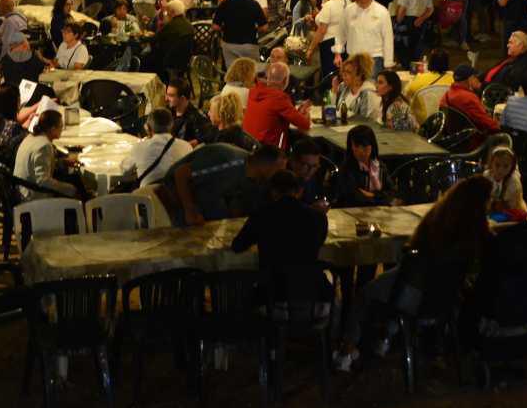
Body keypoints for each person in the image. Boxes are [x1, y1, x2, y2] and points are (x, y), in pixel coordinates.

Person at [333, 175, 493, 371]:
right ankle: (383, 339)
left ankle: (346, 353)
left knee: (366, 294)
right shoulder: (475, 229)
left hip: (413, 288)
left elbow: (411, 258)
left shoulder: (439, 217)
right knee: (389, 289)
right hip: (444, 296)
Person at [231, 169, 330, 298]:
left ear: (273, 191)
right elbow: (319, 242)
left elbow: (237, 246)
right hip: (313, 297)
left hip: (272, 299)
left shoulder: (262, 215)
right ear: (299, 191)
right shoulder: (319, 217)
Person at [156, 143, 281, 226]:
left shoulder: (250, 177)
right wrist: (189, 209)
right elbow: (181, 174)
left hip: (205, 198)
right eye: (279, 169)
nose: (281, 174)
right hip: (174, 193)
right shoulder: (230, 161)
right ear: (266, 165)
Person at [13, 110, 80, 200]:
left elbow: (37, 165)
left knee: (72, 179)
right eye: (60, 126)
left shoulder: (31, 137)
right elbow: (43, 181)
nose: (62, 129)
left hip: (22, 189)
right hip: (32, 195)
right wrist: (70, 189)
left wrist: (61, 162)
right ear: (52, 129)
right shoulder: (44, 145)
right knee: (76, 185)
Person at [119, 108, 194, 187]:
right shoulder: (186, 146)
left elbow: (124, 172)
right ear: (172, 125)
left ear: (147, 128)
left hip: (149, 196)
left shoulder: (140, 147)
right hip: (176, 197)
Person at [243, 62, 312, 147]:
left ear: (268, 77)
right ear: (285, 80)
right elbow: (304, 124)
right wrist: (305, 112)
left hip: (248, 146)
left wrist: (298, 113)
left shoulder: (253, 91)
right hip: (269, 152)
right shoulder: (279, 98)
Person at [213, 0, 268, 69]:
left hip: (229, 44)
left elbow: (215, 26)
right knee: (250, 74)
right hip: (249, 44)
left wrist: (225, 27)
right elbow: (264, 27)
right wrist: (253, 28)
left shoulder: (225, 4)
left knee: (232, 74)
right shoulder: (254, 4)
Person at [336, 0, 394, 76]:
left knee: (371, 90)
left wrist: (388, 64)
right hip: (353, 59)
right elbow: (341, 34)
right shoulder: (348, 11)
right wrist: (337, 54)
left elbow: (388, 39)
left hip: (374, 60)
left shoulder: (382, 12)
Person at [330, 124, 391, 207]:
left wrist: (372, 195)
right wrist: (380, 197)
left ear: (372, 146)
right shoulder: (347, 169)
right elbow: (355, 198)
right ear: (351, 146)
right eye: (356, 146)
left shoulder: (379, 166)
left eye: (365, 146)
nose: (360, 151)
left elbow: (391, 193)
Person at [441, 64, 500, 142]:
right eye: (475, 77)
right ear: (470, 79)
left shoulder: (447, 95)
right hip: (473, 140)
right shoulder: (469, 98)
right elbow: (488, 124)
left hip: (454, 138)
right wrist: (500, 127)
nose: (477, 79)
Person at [393, 0, 434, 66]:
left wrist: (398, 22)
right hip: (420, 23)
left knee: (405, 50)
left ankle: (407, 69)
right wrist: (421, 19)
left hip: (408, 21)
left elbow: (403, 8)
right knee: (416, 51)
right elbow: (430, 8)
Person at [306, 0, 346, 75]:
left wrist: (311, 49)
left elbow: (321, 31)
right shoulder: (347, 1)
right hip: (345, 42)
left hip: (330, 45)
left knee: (330, 75)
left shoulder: (329, 5)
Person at [148, 0, 195, 79]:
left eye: (168, 11)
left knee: (146, 59)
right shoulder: (188, 24)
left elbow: (155, 39)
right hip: (184, 60)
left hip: (170, 61)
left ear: (172, 12)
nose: (167, 14)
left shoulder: (171, 25)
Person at [404, 48, 452, 123]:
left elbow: (406, 95)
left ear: (430, 62)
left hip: (422, 121)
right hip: (445, 119)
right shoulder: (453, 80)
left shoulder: (420, 78)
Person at [330, 53, 380, 122]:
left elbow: (365, 121)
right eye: (343, 71)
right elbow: (333, 112)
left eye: (348, 72)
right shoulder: (343, 87)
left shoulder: (368, 93)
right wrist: (334, 91)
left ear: (359, 75)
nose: (343, 75)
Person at [166, 78, 214, 146]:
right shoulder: (168, 111)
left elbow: (206, 138)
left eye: (171, 95)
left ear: (182, 99)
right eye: (167, 94)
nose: (166, 99)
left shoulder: (197, 117)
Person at [484, 146, 527, 213]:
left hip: (511, 211)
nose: (501, 170)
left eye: (506, 166)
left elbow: (514, 203)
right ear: (491, 163)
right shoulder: (487, 176)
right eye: (497, 165)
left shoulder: (513, 181)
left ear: (512, 166)